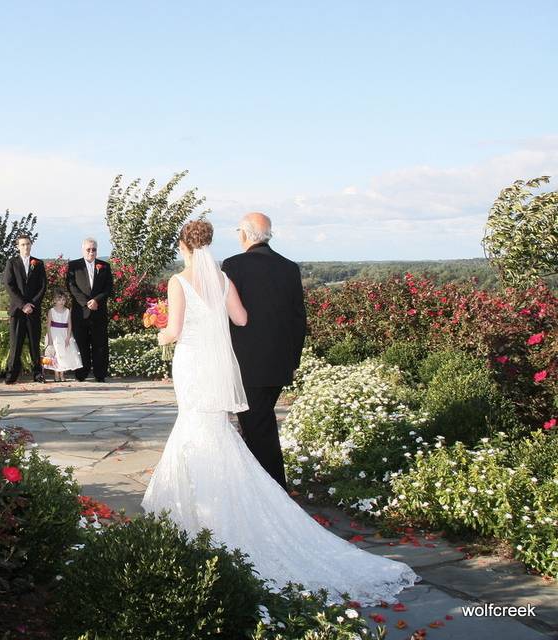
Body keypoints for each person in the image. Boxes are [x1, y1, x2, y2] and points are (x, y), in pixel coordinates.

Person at [141, 219, 417, 604]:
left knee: (193, 426)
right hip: (218, 366)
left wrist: (158, 329)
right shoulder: (222, 279)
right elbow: (241, 319)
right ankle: (235, 500)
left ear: (183, 246)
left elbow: (174, 329)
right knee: (214, 430)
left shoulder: (178, 280)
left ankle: (197, 511)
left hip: (191, 364)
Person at [221, 212, 307, 490]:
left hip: (248, 365)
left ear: (245, 234)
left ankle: (273, 492)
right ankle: (259, 487)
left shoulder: (233, 265)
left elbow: (228, 316)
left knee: (259, 430)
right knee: (259, 425)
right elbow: (298, 319)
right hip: (279, 364)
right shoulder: (289, 267)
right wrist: (293, 360)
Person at [66, 238, 113, 382]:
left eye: (94, 249)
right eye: (88, 249)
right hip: (80, 312)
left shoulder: (104, 266)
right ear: (83, 250)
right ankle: (82, 373)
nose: (91, 252)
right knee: (81, 343)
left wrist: (96, 300)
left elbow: (108, 287)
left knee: (100, 344)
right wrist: (86, 303)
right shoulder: (74, 265)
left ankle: (100, 374)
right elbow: (71, 287)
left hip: (99, 311)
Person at [3, 234, 47, 383]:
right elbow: (9, 285)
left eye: (28, 244)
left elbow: (42, 286)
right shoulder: (12, 263)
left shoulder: (39, 264)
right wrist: (23, 305)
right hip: (18, 310)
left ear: (31, 245)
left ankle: (37, 373)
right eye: (22, 244)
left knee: (35, 344)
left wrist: (32, 304)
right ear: (18, 247)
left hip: (33, 310)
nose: (25, 247)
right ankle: (12, 374)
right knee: (16, 344)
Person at [45, 290, 82, 382]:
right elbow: (48, 325)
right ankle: (56, 374)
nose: (61, 302)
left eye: (63, 300)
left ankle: (62, 374)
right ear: (54, 300)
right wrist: (50, 339)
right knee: (56, 354)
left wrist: (68, 336)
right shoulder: (51, 311)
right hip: (54, 334)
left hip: (64, 334)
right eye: (59, 300)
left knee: (63, 354)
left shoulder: (67, 311)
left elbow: (69, 324)